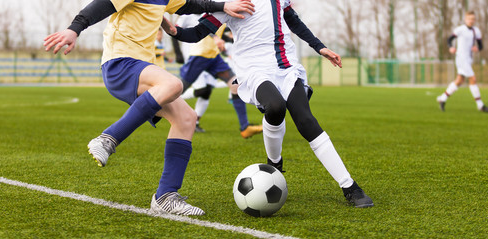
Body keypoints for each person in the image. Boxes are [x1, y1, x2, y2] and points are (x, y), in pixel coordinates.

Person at [43, 0, 255, 216]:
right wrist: (74, 29)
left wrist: (223, 5)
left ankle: (165, 196)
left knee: (187, 118)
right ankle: (108, 138)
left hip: (141, 66)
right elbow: (103, 4)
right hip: (120, 62)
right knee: (174, 84)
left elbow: (192, 5)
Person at [165, 0, 374, 208]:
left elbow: (293, 21)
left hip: (286, 66)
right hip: (254, 70)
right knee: (275, 107)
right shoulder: (231, 3)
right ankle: (274, 163)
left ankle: (350, 187)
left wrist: (321, 48)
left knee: (306, 120)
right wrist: (171, 28)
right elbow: (195, 33)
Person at [176, 14, 262, 137]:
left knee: (235, 85)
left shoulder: (226, 8)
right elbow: (204, 24)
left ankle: (245, 127)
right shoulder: (209, 7)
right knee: (178, 88)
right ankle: (151, 108)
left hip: (214, 56)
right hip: (199, 55)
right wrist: (215, 38)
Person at [437, 11, 488, 113]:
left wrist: (477, 48)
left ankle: (443, 98)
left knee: (459, 80)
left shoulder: (476, 31)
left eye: (473, 19)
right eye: (469, 19)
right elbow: (449, 39)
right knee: (473, 79)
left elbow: (481, 45)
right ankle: (480, 105)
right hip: (461, 58)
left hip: (468, 59)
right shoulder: (460, 29)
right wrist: (451, 47)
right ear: (465, 19)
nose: (471, 21)